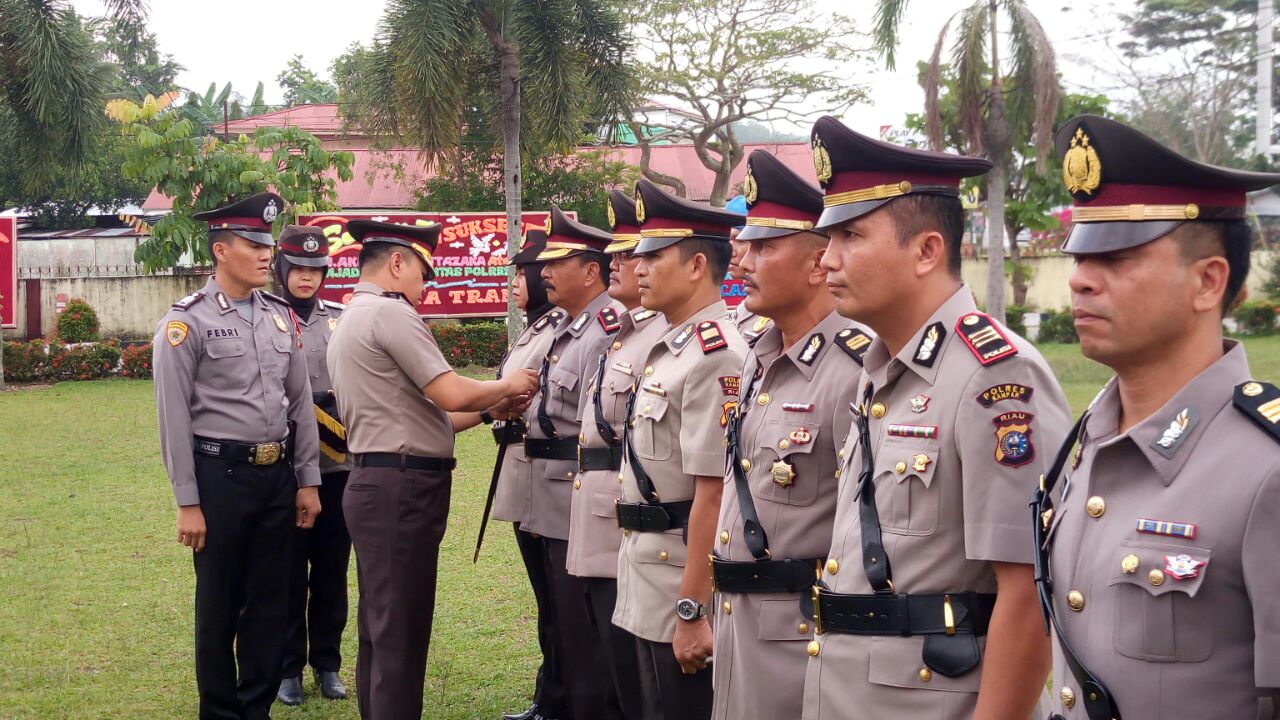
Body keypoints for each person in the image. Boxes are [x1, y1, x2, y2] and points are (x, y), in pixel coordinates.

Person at [800, 116, 1072, 720]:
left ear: (927, 251)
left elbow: (1027, 594)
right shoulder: (881, 369)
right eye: (828, 239)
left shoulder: (993, 377)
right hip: (852, 690)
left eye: (850, 237)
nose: (827, 260)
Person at [1033, 115, 1280, 720]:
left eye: (1116, 258)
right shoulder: (1088, 440)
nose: (1082, 280)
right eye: (1081, 257)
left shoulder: (1265, 468)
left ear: (1207, 282)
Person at [326, 219, 537, 720]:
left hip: (376, 481)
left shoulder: (352, 315)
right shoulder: (390, 314)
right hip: (401, 487)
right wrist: (510, 384)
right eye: (424, 273)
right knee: (402, 629)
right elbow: (450, 392)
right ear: (397, 263)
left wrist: (489, 411)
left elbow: (428, 416)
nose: (426, 287)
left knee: (382, 625)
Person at [709, 150, 873, 720]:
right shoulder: (759, 354)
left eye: (763, 247)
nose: (742, 261)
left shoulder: (854, 369)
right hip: (738, 621)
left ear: (815, 265)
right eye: (745, 245)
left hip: (802, 637)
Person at [152, 192, 322, 720]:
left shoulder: (277, 317)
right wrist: (188, 501)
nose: (266, 253)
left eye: (268, 244)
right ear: (221, 250)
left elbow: (301, 403)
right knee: (219, 606)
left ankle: (257, 707)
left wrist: (308, 479)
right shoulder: (187, 323)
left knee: (270, 602)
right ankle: (221, 711)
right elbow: (172, 418)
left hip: (276, 477)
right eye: (252, 244)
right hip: (218, 476)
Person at [613, 179, 749, 720]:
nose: (638, 267)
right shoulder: (673, 346)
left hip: (678, 580)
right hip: (646, 570)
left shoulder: (715, 354)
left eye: (653, 255)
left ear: (696, 265)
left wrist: (692, 609)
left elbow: (711, 496)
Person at [565, 189, 666, 720]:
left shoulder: (662, 337)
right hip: (598, 512)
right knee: (605, 656)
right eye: (619, 254)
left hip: (627, 518)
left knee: (635, 674)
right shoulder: (624, 332)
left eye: (632, 255)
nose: (618, 264)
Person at [518, 205, 621, 719]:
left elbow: (597, 428)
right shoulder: (568, 324)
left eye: (558, 262)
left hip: (575, 493)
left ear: (591, 271)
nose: (545, 273)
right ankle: (556, 704)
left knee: (583, 633)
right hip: (548, 492)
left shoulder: (606, 326)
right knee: (557, 619)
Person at [271, 225, 351, 706]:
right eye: (298, 269)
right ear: (281, 269)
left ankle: (327, 664)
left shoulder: (340, 320)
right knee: (284, 572)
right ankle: (287, 670)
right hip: (283, 465)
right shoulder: (266, 318)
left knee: (330, 569)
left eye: (315, 270)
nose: (306, 278)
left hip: (338, 465)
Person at [491, 228, 569, 720]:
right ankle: (550, 691)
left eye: (527, 272)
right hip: (521, 467)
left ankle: (557, 696)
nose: (519, 281)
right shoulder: (536, 327)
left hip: (547, 469)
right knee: (546, 598)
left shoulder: (563, 327)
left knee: (557, 599)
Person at [725, 195, 771, 344]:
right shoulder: (746, 305)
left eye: (739, 240)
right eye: (727, 240)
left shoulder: (774, 307)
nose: (730, 250)